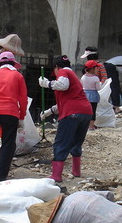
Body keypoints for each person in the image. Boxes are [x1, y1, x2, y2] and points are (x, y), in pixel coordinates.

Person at [39, 55, 93, 183]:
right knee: (76, 142)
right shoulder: (74, 76)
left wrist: (46, 83)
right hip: (86, 112)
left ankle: (56, 175)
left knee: (61, 142)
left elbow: (63, 85)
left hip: (71, 113)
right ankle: (76, 171)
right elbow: (65, 102)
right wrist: (48, 112)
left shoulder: (63, 72)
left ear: (57, 67)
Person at [0, 51, 28, 182]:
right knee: (8, 143)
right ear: (13, 63)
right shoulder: (18, 76)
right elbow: (23, 99)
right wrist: (22, 116)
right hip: (10, 113)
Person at [81, 60, 102, 130]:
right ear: (92, 69)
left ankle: (85, 125)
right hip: (93, 96)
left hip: (84, 96)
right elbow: (98, 88)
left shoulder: (83, 77)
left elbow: (81, 86)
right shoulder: (96, 78)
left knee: (85, 111)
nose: (98, 69)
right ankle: (91, 125)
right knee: (93, 111)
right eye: (96, 68)